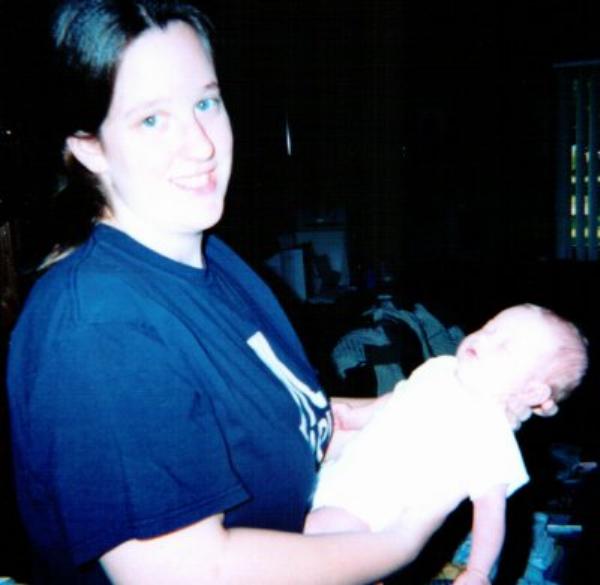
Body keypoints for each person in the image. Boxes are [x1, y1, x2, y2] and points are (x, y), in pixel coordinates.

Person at [5, 1, 554, 583]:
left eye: (205, 103)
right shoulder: (99, 327)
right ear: (88, 145)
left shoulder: (212, 259)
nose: (201, 145)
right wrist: (400, 542)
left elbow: (263, 419)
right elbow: (188, 573)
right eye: (151, 120)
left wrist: (423, 410)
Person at [305, 304, 588, 585]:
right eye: (489, 327)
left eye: (504, 346)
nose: (484, 339)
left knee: (306, 544)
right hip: (333, 475)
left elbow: (491, 513)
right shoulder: (440, 367)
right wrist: (357, 416)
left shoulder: (492, 434)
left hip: (367, 512)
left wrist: (477, 571)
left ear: (531, 391)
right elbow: (398, 398)